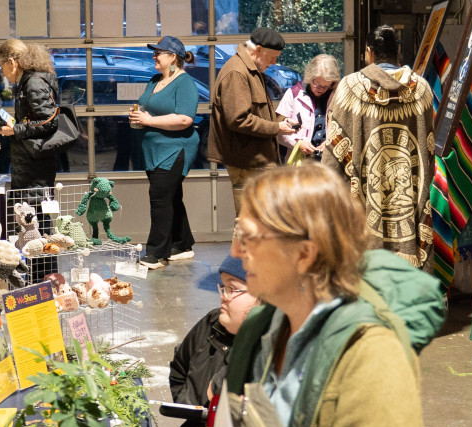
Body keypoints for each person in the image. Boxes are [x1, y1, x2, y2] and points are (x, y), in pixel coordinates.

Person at [225, 163, 443, 427]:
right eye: (237, 234)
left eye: (247, 237)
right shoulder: (261, 330)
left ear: (304, 254)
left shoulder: (372, 357)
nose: (236, 252)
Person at [321, 25, 435, 272]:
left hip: (364, 208)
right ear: (399, 52)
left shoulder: (349, 88)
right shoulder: (423, 90)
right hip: (409, 204)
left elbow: (334, 155)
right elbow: (427, 153)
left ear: (369, 53)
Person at [206, 27, 296, 215]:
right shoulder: (237, 73)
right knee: (249, 223)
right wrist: (276, 127)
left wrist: (282, 120)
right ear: (259, 50)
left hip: (255, 162)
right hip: (247, 164)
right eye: (272, 57)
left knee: (260, 223)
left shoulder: (251, 69)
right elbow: (238, 119)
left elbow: (258, 112)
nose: (274, 63)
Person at [129, 36, 199, 269]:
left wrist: (150, 120)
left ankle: (156, 253)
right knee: (172, 197)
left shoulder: (185, 82)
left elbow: (184, 118)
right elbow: (148, 109)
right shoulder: (155, 80)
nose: (154, 56)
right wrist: (140, 117)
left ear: (173, 57)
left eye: (159, 52)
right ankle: (183, 243)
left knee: (159, 198)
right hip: (153, 149)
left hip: (174, 149)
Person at [169, 255, 259, 408]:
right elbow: (179, 370)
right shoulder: (211, 323)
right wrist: (197, 413)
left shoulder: (272, 350)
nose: (223, 296)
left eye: (232, 289)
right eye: (223, 287)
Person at [0, 39, 59, 190]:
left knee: (34, 211)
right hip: (31, 164)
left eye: (1, 67)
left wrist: (14, 130)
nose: (3, 74)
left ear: (11, 62)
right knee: (30, 211)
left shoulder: (33, 84)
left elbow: (49, 122)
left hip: (34, 169)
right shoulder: (30, 82)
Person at [275, 54, 341, 161]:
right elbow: (278, 131)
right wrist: (298, 142)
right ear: (309, 77)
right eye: (316, 84)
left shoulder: (338, 96)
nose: (320, 89)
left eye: (325, 86)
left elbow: (343, 128)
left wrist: (331, 143)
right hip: (300, 160)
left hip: (328, 160)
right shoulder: (294, 94)